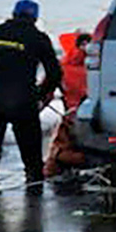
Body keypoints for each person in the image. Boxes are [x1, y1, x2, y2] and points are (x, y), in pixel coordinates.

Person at [0, 0, 61, 193]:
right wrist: (41, 92)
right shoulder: (38, 38)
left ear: (13, 13)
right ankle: (34, 198)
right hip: (23, 102)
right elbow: (55, 73)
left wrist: (0, 67)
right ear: (35, 18)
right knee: (31, 155)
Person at [43, 30, 92, 178]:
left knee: (56, 157)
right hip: (99, 119)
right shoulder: (103, 65)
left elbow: (46, 93)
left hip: (71, 120)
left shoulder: (62, 66)